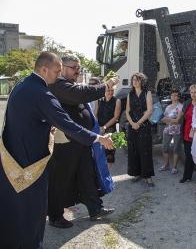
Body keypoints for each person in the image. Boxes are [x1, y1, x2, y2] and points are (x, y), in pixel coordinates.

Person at [0, 52, 114, 249]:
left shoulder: (23, 85)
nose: (58, 76)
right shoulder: (42, 94)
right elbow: (67, 123)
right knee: (33, 210)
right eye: (56, 71)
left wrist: (44, 125)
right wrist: (98, 138)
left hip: (13, 158)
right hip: (31, 163)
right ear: (44, 69)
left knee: (14, 210)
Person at [47, 55, 119, 228]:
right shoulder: (58, 84)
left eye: (79, 68)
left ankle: (95, 209)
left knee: (87, 174)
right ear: (62, 67)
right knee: (61, 180)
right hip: (65, 142)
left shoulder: (69, 85)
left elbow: (83, 92)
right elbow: (80, 94)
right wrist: (106, 85)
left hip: (81, 140)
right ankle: (55, 216)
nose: (78, 71)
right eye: (74, 68)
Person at [126, 72, 154, 186]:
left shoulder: (147, 93)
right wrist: (132, 123)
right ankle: (136, 173)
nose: (134, 82)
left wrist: (138, 123)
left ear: (142, 81)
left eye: (137, 80)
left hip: (144, 126)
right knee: (133, 151)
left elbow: (150, 110)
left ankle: (147, 176)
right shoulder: (130, 94)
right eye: (133, 80)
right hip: (132, 126)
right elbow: (127, 111)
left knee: (145, 151)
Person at [95, 85, 121, 168]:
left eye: (112, 90)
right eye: (108, 90)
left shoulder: (117, 101)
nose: (110, 92)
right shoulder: (99, 100)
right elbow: (95, 114)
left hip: (110, 128)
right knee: (99, 152)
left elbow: (116, 117)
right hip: (99, 127)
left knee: (109, 153)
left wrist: (104, 127)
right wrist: (97, 127)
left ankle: (108, 174)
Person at [180, 84, 196, 183]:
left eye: (195, 92)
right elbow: (181, 118)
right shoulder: (187, 103)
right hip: (187, 134)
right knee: (188, 155)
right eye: (191, 92)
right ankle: (187, 176)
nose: (193, 94)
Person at [159, 89, 183, 174]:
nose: (174, 97)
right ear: (171, 96)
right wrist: (171, 120)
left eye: (176, 95)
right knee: (164, 148)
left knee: (176, 149)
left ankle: (174, 167)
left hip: (177, 130)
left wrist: (169, 120)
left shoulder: (181, 106)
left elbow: (177, 121)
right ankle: (166, 165)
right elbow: (163, 119)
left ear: (178, 97)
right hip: (167, 129)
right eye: (173, 95)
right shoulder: (168, 107)